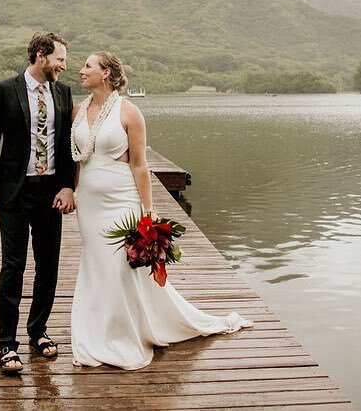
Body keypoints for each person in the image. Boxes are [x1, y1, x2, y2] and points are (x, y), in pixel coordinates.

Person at [70, 51, 253, 369]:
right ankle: (95, 329)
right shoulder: (77, 111)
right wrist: (70, 190)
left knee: (120, 268)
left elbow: (140, 165)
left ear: (107, 74)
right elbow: (76, 160)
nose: (81, 70)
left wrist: (148, 211)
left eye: (88, 66)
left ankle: (126, 331)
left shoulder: (129, 113)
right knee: (96, 266)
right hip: (89, 202)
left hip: (121, 200)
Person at [0, 32, 77, 374]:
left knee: (48, 266)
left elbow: (66, 146)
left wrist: (67, 186)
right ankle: (6, 344)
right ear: (40, 55)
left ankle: (38, 331)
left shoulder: (62, 92)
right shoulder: (5, 90)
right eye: (59, 59)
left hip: (51, 193)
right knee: (13, 266)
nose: (64, 66)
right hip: (14, 193)